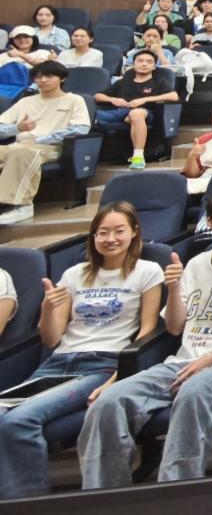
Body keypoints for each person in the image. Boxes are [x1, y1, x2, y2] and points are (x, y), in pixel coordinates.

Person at [78, 188, 212, 487]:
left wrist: (207, 361)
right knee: (108, 402)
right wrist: (173, 289)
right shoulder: (196, 264)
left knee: (193, 391)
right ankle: (104, 494)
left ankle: (176, 491)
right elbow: (174, 328)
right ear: (209, 221)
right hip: (184, 359)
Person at [0, 202, 162, 499]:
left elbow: (147, 332)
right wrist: (48, 308)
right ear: (93, 236)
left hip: (100, 366)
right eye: (102, 232)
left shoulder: (147, 271)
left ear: (134, 232)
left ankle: (27, 504)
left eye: (118, 231)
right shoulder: (75, 274)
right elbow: (51, 339)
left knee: (19, 420)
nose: (110, 239)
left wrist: (118, 377)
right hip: (57, 364)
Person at [0, 60, 91, 224]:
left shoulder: (74, 100)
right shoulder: (25, 101)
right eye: (38, 77)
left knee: (22, 152)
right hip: (18, 145)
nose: (42, 80)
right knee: (17, 150)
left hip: (51, 147)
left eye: (48, 76)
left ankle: (22, 205)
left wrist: (40, 139)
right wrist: (17, 128)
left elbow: (80, 129)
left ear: (62, 78)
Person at [93, 48, 178, 171]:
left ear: (154, 66)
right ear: (133, 64)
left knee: (136, 113)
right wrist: (113, 100)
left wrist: (144, 100)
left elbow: (174, 96)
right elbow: (98, 96)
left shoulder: (160, 82)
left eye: (149, 62)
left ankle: (138, 157)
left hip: (147, 113)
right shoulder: (123, 82)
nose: (144, 64)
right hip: (121, 112)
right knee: (90, 115)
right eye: (140, 61)